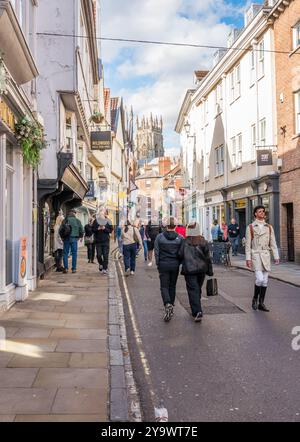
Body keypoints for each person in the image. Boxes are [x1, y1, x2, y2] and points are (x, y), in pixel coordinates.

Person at [245, 205, 280, 312]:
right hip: (255, 255)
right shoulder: (250, 227)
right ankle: (255, 299)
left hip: (266, 255)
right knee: (259, 279)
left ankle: (261, 303)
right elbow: (248, 244)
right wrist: (248, 258)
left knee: (265, 281)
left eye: (263, 211)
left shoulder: (269, 227)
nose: (262, 213)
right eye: (259, 211)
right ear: (255, 213)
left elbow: (273, 242)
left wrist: (276, 256)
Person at [178, 221, 213, 322]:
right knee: (197, 288)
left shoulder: (184, 242)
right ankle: (197, 308)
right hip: (202, 270)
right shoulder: (203, 241)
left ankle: (197, 311)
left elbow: (179, 255)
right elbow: (208, 258)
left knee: (193, 290)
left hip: (189, 270)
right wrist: (210, 271)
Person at [154, 217, 183, 322]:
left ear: (166, 226)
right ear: (175, 226)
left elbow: (156, 252)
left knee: (164, 286)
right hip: (175, 265)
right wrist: (179, 263)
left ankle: (167, 304)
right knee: (172, 286)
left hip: (163, 265)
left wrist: (158, 263)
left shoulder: (159, 237)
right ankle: (171, 305)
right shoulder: (180, 238)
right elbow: (181, 253)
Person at [62, 209, 84, 274]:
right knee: (74, 253)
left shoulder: (65, 220)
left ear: (69, 214)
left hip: (66, 238)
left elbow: (61, 230)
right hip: (74, 238)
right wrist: (80, 237)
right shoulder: (77, 221)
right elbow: (81, 230)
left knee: (65, 253)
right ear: (74, 213)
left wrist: (62, 237)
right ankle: (74, 269)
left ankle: (65, 268)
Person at [93, 208, 113, 274]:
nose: (101, 215)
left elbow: (111, 230)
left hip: (106, 241)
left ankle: (105, 268)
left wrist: (105, 228)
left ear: (104, 214)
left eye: (102, 213)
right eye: (100, 213)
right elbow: (92, 230)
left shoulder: (108, 221)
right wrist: (97, 228)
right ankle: (101, 264)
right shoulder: (95, 221)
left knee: (105, 255)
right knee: (98, 255)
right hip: (98, 241)